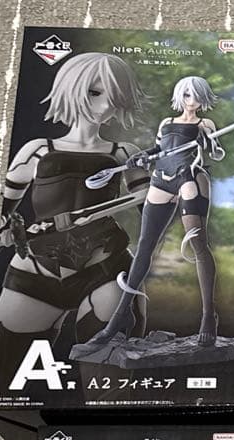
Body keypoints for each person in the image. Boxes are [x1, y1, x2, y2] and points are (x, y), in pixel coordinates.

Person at [0, 52, 148, 383]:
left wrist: (175, 183)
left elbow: (155, 211)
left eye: (114, 97)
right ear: (71, 88)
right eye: (95, 92)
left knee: (110, 383)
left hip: (107, 269)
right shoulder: (38, 150)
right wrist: (3, 229)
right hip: (37, 269)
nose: (105, 105)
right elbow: (0, 210)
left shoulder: (124, 154)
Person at [74, 75, 225, 356]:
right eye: (187, 94)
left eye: (196, 95)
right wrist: (141, 156)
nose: (191, 100)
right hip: (161, 180)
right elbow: (159, 150)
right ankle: (119, 318)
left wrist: (209, 143)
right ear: (179, 96)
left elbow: (216, 154)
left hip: (189, 178)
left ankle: (208, 316)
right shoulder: (166, 123)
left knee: (198, 245)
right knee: (144, 248)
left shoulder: (205, 124)